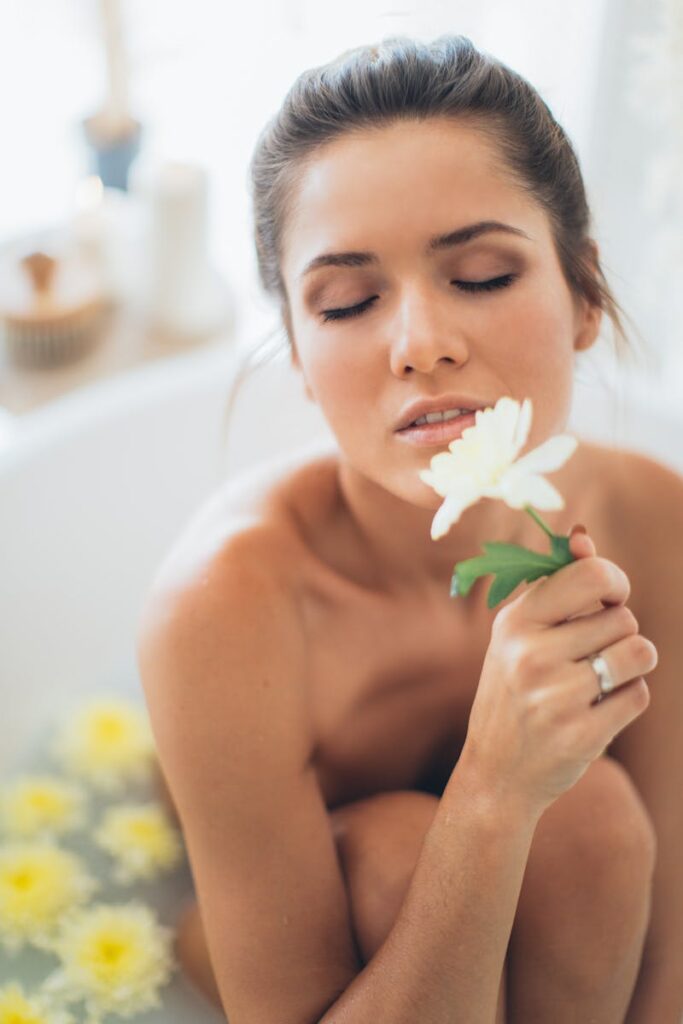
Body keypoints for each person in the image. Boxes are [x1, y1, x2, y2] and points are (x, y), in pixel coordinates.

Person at [137, 35, 683, 1024]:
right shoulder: (225, 607)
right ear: (299, 356)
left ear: (584, 296)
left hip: (556, 918)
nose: (421, 343)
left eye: (478, 275)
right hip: (304, 961)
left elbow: (671, 928)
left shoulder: (649, 519)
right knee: (397, 859)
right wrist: (491, 791)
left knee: (599, 820)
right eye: (347, 301)